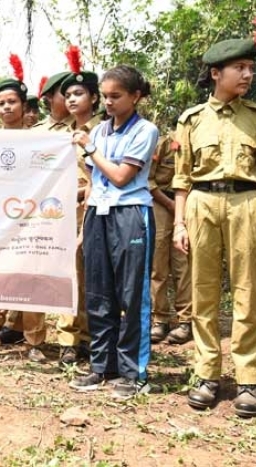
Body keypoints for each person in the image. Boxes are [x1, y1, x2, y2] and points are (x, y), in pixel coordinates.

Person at [173, 37, 256, 418]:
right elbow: (181, 179)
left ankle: (247, 378)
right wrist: (178, 224)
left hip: (247, 203)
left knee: (247, 292)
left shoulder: (254, 116)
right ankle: (206, 374)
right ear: (215, 73)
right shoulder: (191, 120)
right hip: (201, 204)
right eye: (240, 68)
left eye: (250, 69)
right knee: (203, 291)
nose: (248, 74)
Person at [69, 65, 158, 399]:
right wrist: (85, 223)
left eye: (115, 96)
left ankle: (133, 371)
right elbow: (95, 181)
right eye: (105, 96)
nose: (108, 102)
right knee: (99, 292)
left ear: (135, 96)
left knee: (131, 293)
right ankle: (101, 365)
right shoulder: (102, 130)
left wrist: (91, 149)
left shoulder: (145, 130)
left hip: (131, 214)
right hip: (99, 215)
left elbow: (121, 176)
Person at [0, 54, 47, 364]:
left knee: (30, 278)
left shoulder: (42, 141)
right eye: (1, 103)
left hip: (30, 221)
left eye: (12, 101)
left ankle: (34, 343)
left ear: (23, 105)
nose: (6, 108)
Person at [0, 71, 74, 346]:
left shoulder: (87, 129)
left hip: (69, 209)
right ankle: (14, 326)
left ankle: (73, 338)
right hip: (25, 211)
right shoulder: (37, 134)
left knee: (65, 274)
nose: (72, 99)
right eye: (67, 93)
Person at [54, 46, 103, 366]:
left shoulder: (107, 129)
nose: (72, 99)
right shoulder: (59, 134)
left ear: (95, 98)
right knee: (68, 272)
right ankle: (68, 338)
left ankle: (91, 336)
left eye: (79, 93)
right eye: (68, 94)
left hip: (97, 207)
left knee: (95, 275)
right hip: (64, 212)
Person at [148, 118, 192, 345]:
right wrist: (169, 204)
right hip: (162, 203)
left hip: (190, 203)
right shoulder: (163, 143)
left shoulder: (196, 142)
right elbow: (148, 179)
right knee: (158, 264)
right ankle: (160, 319)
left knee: (184, 264)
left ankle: (186, 320)